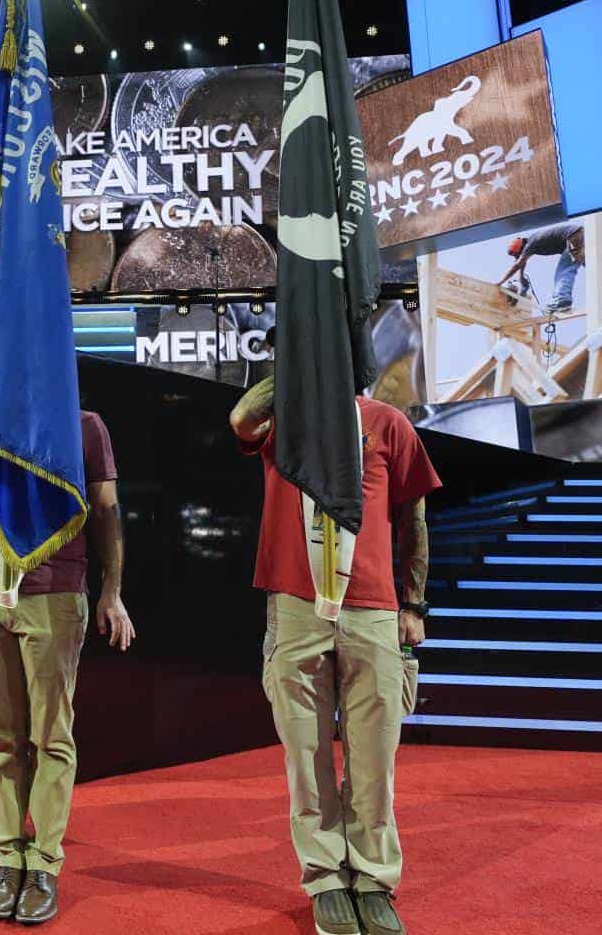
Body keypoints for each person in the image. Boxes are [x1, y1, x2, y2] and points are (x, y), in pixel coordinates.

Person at [0, 376, 135, 926]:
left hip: (54, 593)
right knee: (2, 738)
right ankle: (8, 859)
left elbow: (108, 512)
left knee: (50, 736)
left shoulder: (85, 427)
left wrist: (111, 593)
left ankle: (44, 864)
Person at [229, 375, 440, 935]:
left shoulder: (388, 423)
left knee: (374, 758)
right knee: (307, 755)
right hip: (296, 606)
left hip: (372, 607)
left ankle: (372, 879)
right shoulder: (283, 421)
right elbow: (241, 419)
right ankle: (325, 878)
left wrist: (415, 601)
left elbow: (413, 519)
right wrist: (300, 360)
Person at [498, 222, 586, 312]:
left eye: (519, 255)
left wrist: (500, 283)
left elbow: (518, 264)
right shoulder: (532, 242)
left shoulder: (531, 243)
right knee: (594, 267)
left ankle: (561, 301)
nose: (520, 257)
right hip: (582, 235)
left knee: (564, 270)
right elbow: (521, 264)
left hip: (575, 236)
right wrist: (521, 281)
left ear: (522, 249)